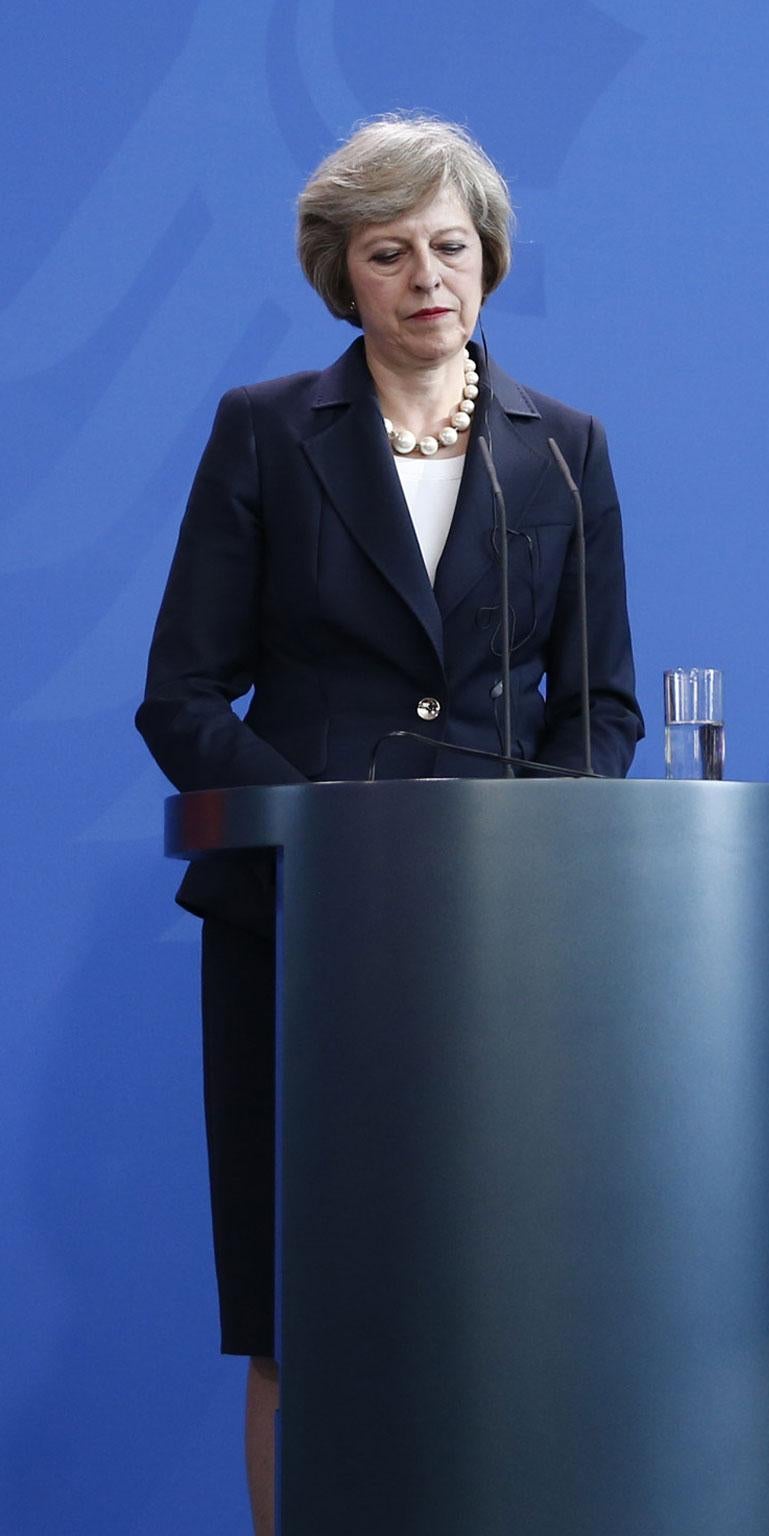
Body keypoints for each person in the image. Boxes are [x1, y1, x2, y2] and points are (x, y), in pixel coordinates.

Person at [135, 114, 643, 1536]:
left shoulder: (566, 450)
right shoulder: (263, 433)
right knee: (304, 1300)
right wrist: (317, 844)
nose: (428, 277)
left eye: (450, 246)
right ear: (340, 276)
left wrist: (531, 858)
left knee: (495, 1296)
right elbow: (180, 694)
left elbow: (597, 708)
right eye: (389, 253)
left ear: (488, 259)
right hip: (296, 927)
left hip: (504, 941)